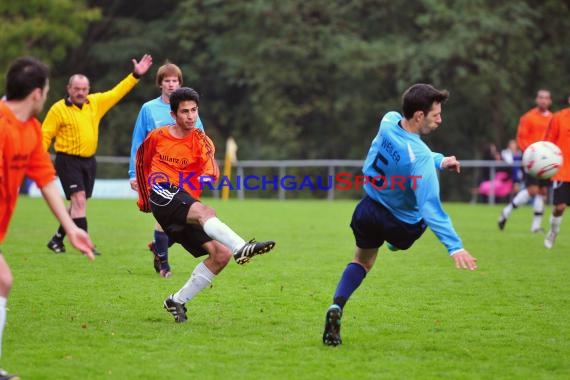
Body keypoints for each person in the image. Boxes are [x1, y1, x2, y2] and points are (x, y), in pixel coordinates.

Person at [321, 84, 478, 347]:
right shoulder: (420, 159)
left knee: (361, 261)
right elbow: (430, 207)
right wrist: (455, 246)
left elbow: (416, 153)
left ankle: (337, 304)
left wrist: (439, 160)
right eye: (436, 115)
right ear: (419, 116)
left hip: (368, 209)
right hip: (402, 226)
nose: (440, 120)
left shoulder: (388, 120)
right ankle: (393, 243)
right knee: (418, 219)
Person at [135, 87, 276, 323]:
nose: (190, 116)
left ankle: (176, 300)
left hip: (184, 198)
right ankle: (241, 247)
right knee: (205, 212)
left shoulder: (201, 139)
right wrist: (143, 199)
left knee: (220, 255)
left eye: (194, 111)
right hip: (160, 191)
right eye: (184, 112)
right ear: (173, 115)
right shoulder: (157, 137)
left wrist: (207, 177)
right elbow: (141, 163)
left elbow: (211, 166)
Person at [0, 57, 95, 380]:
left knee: (2, 281)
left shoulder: (29, 130)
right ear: (38, 94)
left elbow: (45, 180)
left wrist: (71, 228)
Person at [42, 54, 153, 255]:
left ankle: (57, 239)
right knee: (80, 200)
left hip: (89, 161)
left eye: (84, 89)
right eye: (76, 89)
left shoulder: (95, 103)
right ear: (69, 89)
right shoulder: (58, 110)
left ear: (88, 90)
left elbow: (117, 92)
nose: (80, 93)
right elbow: (45, 136)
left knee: (78, 203)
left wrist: (135, 75)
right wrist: (39, 162)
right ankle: (87, 246)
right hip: (67, 160)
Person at [128, 62, 205, 278]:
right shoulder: (148, 109)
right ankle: (164, 265)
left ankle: (159, 247)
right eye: (167, 80)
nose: (171, 84)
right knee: (164, 216)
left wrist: (204, 170)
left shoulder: (189, 109)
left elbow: (201, 140)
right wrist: (134, 173)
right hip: (158, 171)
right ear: (160, 83)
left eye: (175, 80)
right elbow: (138, 142)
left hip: (186, 171)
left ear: (180, 83)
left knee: (182, 217)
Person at [498, 89, 553, 232]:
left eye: (546, 98)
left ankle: (535, 227)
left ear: (550, 101)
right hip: (533, 160)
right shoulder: (528, 117)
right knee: (533, 190)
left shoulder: (553, 118)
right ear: (536, 100)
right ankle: (507, 211)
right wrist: (532, 153)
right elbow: (521, 139)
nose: (543, 100)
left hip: (548, 161)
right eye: (541, 97)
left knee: (542, 191)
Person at [543, 94, 570, 248]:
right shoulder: (559, 117)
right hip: (563, 171)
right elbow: (548, 143)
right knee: (560, 207)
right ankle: (553, 231)